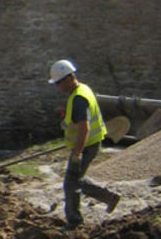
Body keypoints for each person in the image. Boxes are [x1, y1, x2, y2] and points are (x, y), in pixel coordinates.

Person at [48, 59, 120, 229]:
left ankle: (74, 222)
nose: (57, 87)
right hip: (89, 144)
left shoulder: (79, 98)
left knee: (70, 183)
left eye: (58, 83)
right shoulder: (83, 89)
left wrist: (77, 153)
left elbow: (84, 127)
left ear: (67, 79)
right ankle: (109, 197)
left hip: (86, 146)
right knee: (76, 179)